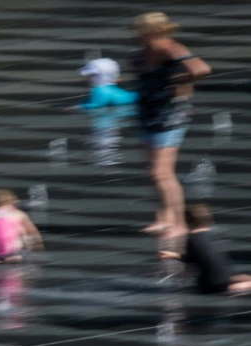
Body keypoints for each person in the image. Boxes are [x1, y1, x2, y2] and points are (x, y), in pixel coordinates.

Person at [131, 12, 211, 238]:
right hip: (148, 114)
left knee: (162, 173)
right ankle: (163, 218)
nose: (137, 35)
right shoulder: (142, 54)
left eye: (141, 31)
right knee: (153, 173)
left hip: (170, 115)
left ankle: (179, 224)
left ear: (154, 31)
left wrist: (179, 81)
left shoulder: (172, 49)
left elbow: (201, 68)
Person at [159, 204, 251, 294]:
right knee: (240, 278)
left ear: (188, 223)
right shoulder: (212, 236)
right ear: (210, 221)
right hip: (223, 277)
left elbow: (189, 259)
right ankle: (239, 284)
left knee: (228, 283)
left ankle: (238, 285)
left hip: (209, 283)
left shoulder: (192, 239)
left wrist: (172, 255)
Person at [0, 189, 44, 264]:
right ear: (12, 201)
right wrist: (37, 244)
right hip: (11, 247)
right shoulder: (16, 213)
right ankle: (14, 257)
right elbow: (31, 231)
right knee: (21, 229)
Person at [72, 58, 137, 109]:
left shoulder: (101, 90)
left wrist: (77, 107)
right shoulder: (104, 89)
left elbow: (97, 104)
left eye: (91, 75)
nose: (88, 78)